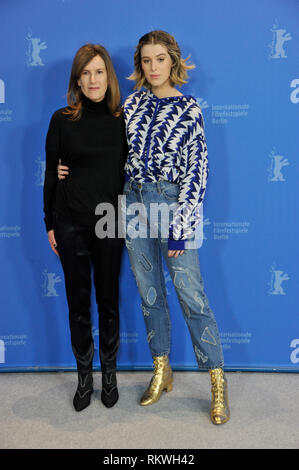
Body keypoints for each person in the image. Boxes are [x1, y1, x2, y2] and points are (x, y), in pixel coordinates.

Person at [59, 31, 230, 425]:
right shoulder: (130, 106)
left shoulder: (189, 110)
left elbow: (197, 171)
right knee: (149, 294)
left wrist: (181, 226)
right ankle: (161, 370)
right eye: (147, 61)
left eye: (160, 59)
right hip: (131, 203)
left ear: (173, 61)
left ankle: (217, 382)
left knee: (191, 295)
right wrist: (66, 168)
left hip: (171, 204)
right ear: (140, 64)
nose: (154, 68)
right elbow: (105, 150)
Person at [43, 44, 127, 412]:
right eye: (86, 73)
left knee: (108, 301)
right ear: (77, 79)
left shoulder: (124, 118)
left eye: (99, 72)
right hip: (70, 222)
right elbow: (51, 172)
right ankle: (84, 379)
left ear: (108, 76)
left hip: (111, 219)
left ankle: (109, 375)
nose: (93, 80)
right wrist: (50, 222)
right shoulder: (61, 119)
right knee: (78, 304)